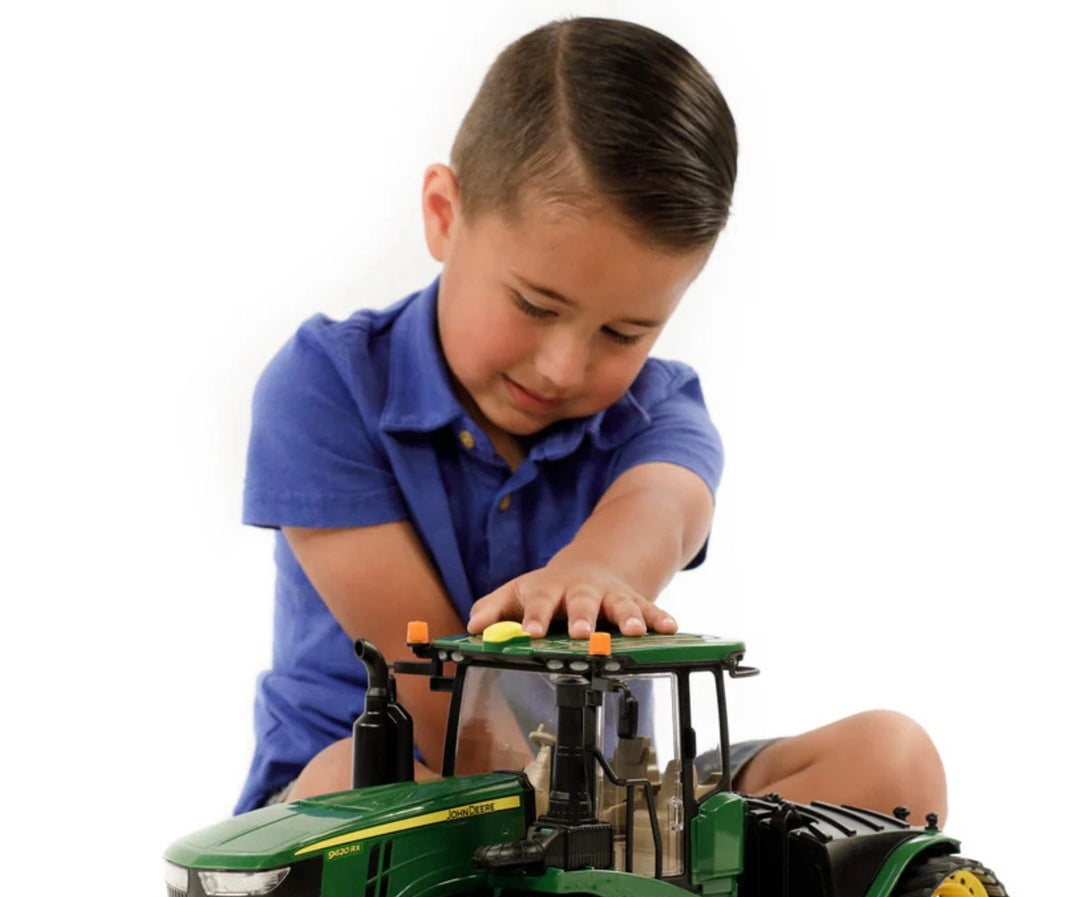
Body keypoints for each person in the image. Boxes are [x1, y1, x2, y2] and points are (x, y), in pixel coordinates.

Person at [235, 16, 946, 826]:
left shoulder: (659, 410)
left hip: (600, 801)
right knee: (348, 783)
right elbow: (425, 681)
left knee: (892, 758)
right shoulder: (325, 386)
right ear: (443, 214)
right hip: (398, 786)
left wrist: (601, 569)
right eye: (535, 305)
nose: (562, 368)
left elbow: (665, 504)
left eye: (624, 333)